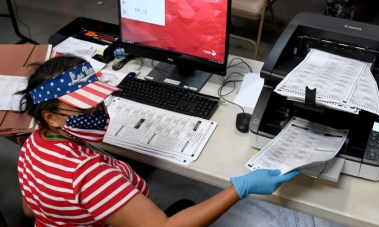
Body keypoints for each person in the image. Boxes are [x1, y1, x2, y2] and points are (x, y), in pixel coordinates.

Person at [16, 55, 300, 226]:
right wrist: (241, 188)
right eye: (86, 108)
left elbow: (30, 210)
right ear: (51, 116)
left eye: (100, 101)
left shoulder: (34, 144)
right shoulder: (89, 176)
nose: (100, 111)